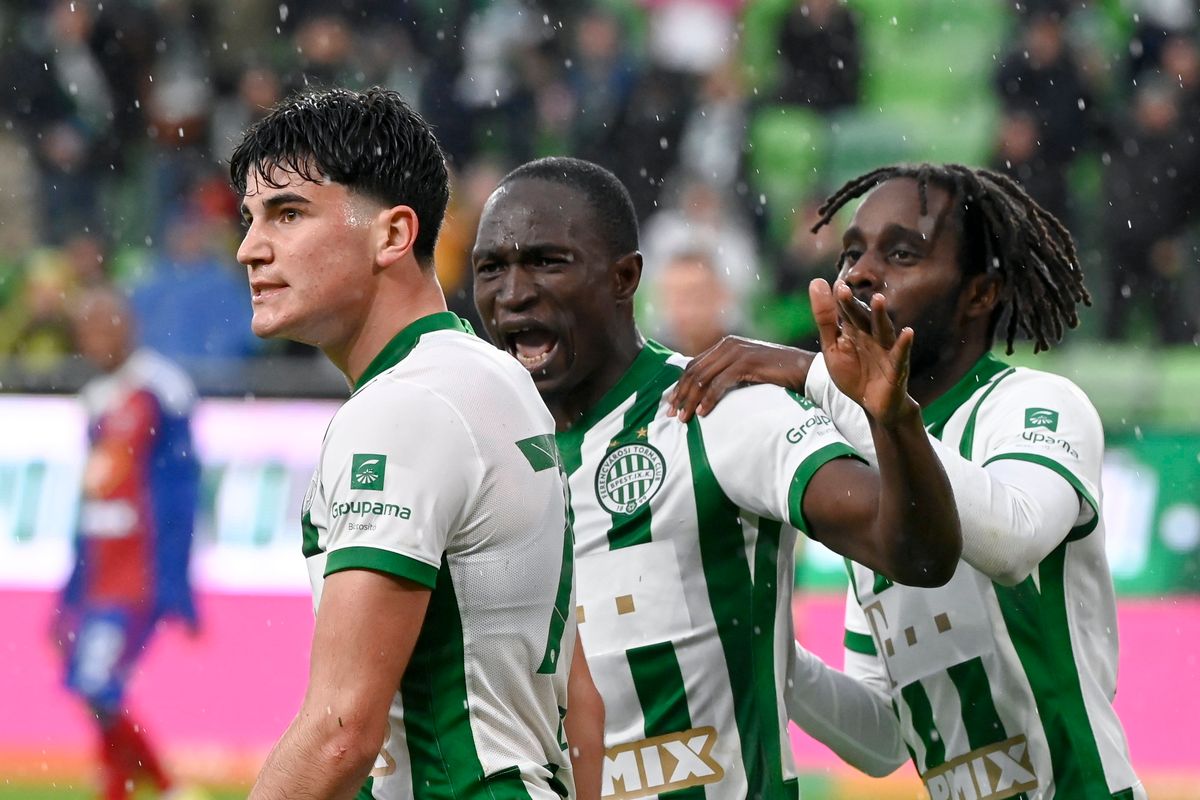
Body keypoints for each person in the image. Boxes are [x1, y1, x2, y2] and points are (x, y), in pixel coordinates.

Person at [471, 156, 963, 799]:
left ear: (625, 278)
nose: (513, 293)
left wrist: (892, 423)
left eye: (545, 262)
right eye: (491, 268)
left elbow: (917, 552)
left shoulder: (718, 409)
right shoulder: (489, 457)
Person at [669, 163, 1145, 799]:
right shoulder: (860, 458)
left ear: (979, 293)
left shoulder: (1035, 405)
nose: (860, 273)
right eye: (851, 253)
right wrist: (765, 649)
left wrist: (825, 384)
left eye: (901, 253)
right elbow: (883, 739)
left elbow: (1013, 537)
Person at [230, 87, 585, 800]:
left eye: (288, 213)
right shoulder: (491, 375)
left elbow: (340, 731)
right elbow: (586, 689)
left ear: (394, 235)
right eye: (249, 219)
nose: (249, 248)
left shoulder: (404, 409)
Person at [54, 285, 200, 800]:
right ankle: (121, 785)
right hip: (99, 569)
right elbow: (92, 500)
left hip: (135, 572)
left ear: (128, 325)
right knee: (91, 684)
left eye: (104, 325)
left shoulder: (160, 389)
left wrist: (176, 580)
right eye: (86, 330)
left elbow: (180, 491)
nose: (94, 339)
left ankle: (163, 786)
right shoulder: (95, 398)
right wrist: (69, 590)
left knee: (96, 682)